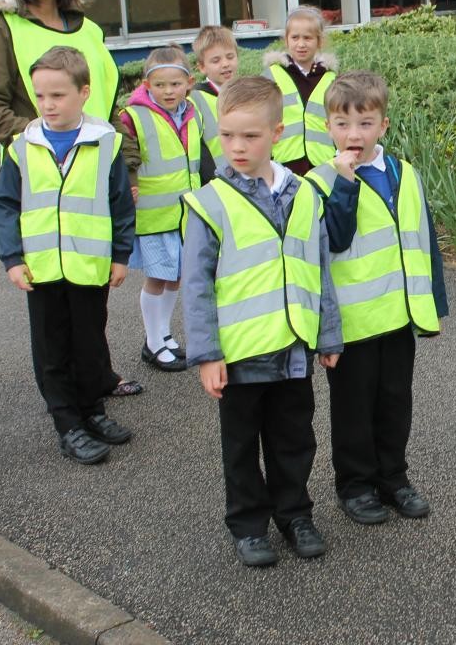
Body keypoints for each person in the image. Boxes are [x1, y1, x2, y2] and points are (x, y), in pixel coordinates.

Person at [0, 0, 139, 397]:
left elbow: (107, 103)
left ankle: (97, 380)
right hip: (45, 179)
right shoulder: (1, 27)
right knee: (53, 314)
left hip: (97, 173)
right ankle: (66, 405)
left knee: (91, 301)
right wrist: (47, 140)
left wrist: (125, 164)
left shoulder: (88, 29)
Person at [181, 75, 342, 566]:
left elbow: (319, 269)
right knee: (240, 446)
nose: (236, 146)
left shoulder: (304, 194)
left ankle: (294, 514)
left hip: (293, 348)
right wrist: (207, 354)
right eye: (227, 135)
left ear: (277, 133)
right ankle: (249, 525)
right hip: (240, 354)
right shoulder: (210, 202)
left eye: (250, 136)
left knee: (294, 440)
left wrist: (328, 335)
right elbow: (196, 286)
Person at [305, 71, 448, 523]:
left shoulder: (405, 173)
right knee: (353, 411)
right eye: (343, 124)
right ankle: (355, 486)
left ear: (383, 125)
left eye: (365, 123)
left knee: (394, 403)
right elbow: (336, 239)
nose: (354, 134)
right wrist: (345, 184)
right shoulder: (319, 182)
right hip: (353, 324)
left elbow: (423, 240)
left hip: (398, 317)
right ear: (328, 127)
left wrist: (432, 306)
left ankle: (394, 479)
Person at [0, 46, 135, 463]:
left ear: (84, 92)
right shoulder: (22, 147)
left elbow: (120, 204)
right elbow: (5, 206)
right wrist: (13, 259)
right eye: (40, 96)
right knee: (51, 350)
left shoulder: (106, 144)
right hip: (42, 270)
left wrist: (120, 255)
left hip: (89, 267)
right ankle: (68, 423)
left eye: (58, 95)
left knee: (90, 346)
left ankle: (92, 410)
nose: (48, 104)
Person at [118, 45, 201, 372]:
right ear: (146, 84)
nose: (168, 91)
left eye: (175, 84)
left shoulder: (191, 111)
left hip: (184, 215)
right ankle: (153, 343)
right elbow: (125, 157)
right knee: (157, 278)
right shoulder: (133, 116)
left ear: (189, 83)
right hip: (154, 216)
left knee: (175, 276)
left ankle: (164, 335)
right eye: (160, 85)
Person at [263, 6, 338, 175]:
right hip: (283, 163)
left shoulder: (331, 79)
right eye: (295, 37)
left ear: (319, 41)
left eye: (308, 38)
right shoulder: (272, 75)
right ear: (286, 40)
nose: (301, 44)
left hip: (323, 164)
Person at [190, 25, 238, 181]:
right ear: (202, 67)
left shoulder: (247, 93)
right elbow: (196, 148)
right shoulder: (195, 100)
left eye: (230, 57)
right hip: (216, 181)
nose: (225, 64)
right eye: (216, 60)